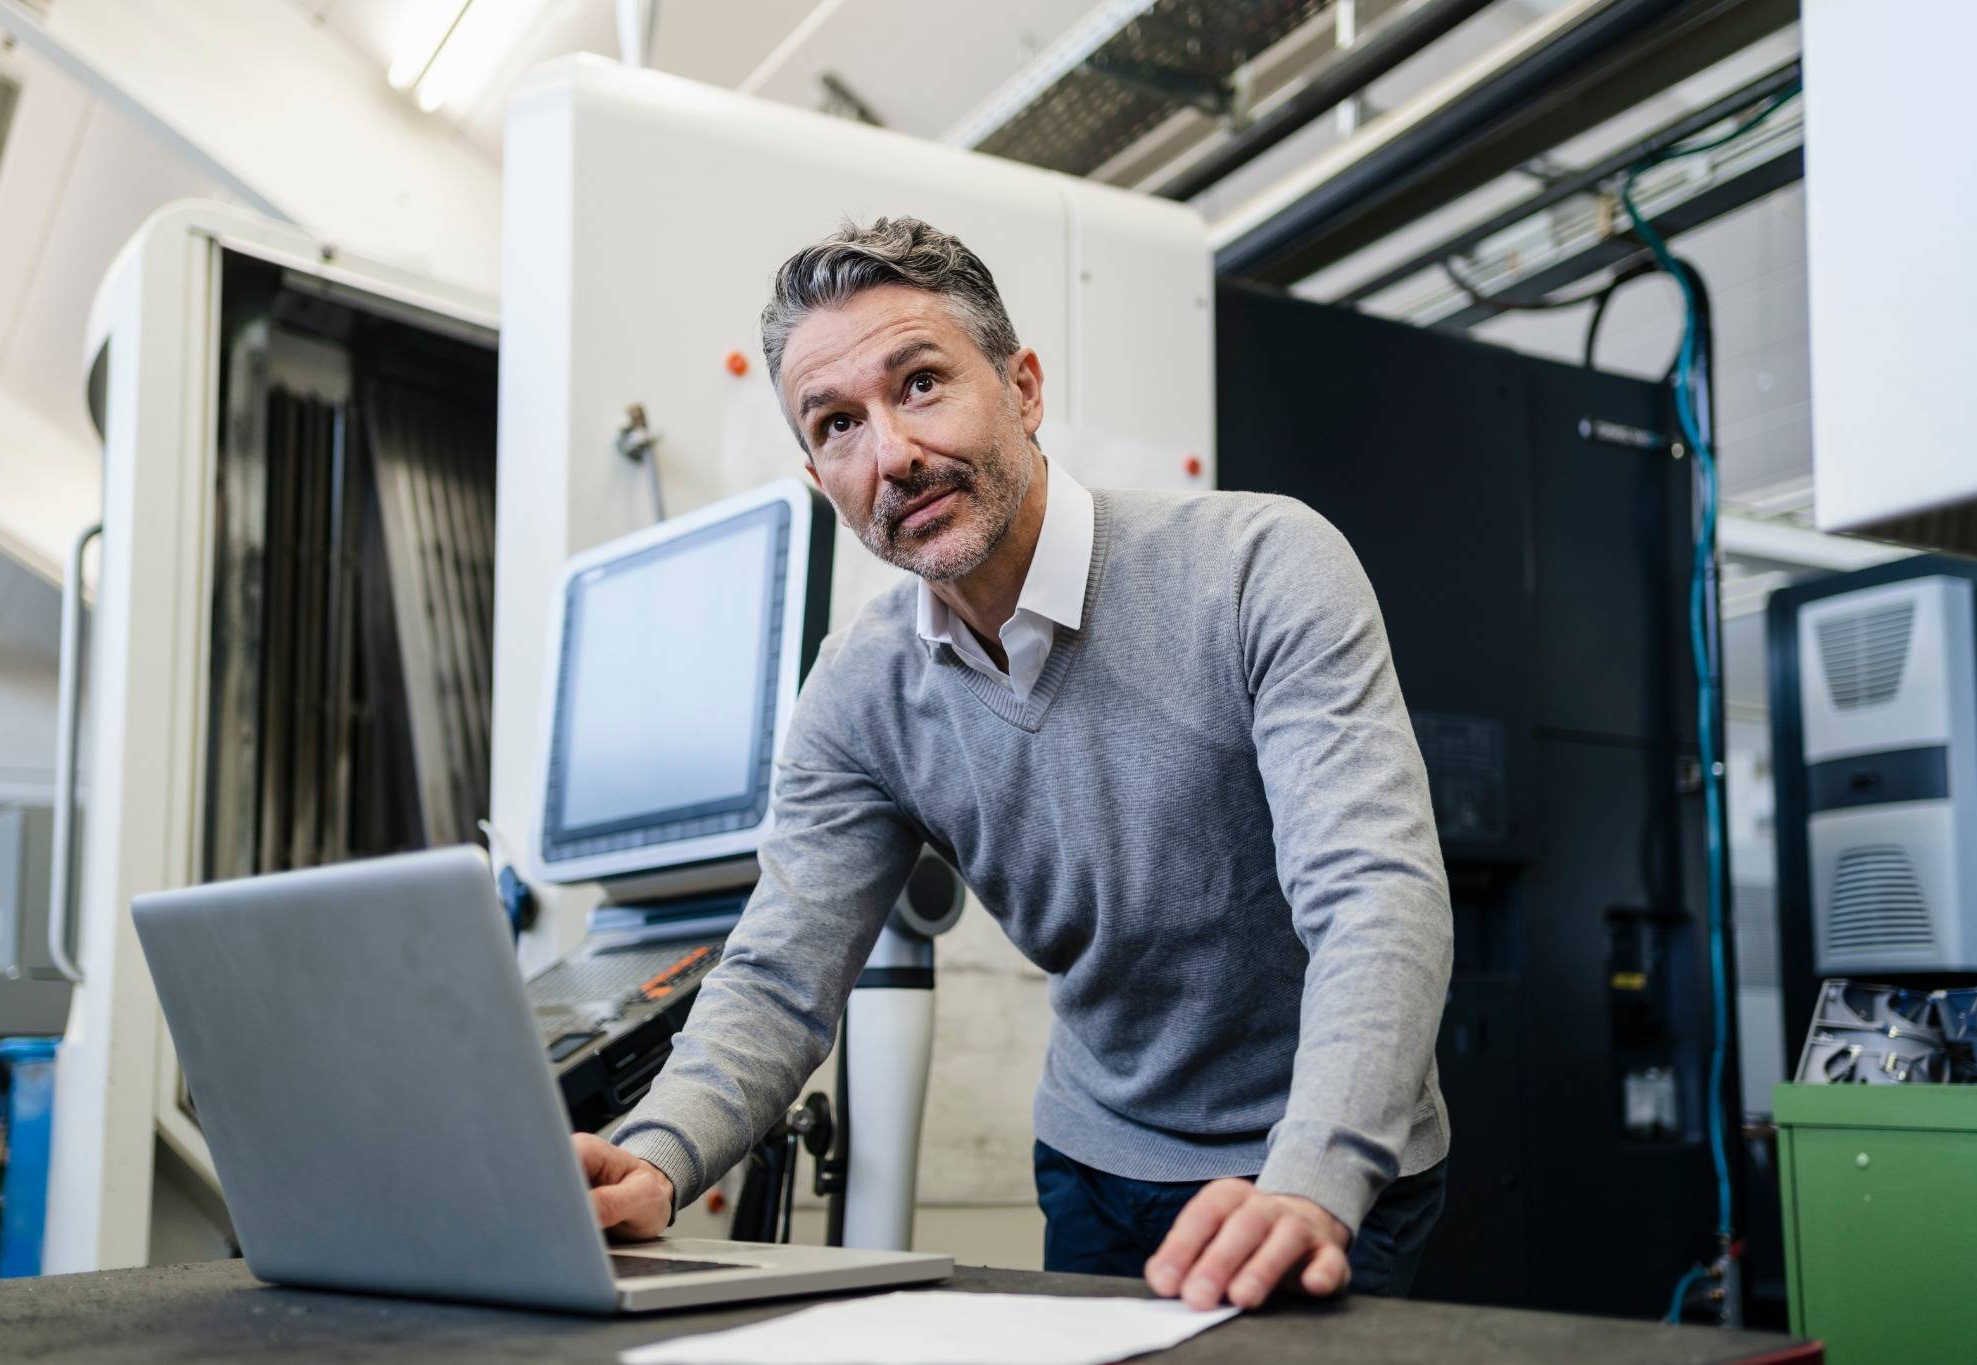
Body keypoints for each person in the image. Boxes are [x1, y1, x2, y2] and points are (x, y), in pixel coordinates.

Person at [568, 217, 1452, 1311]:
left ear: (1023, 387)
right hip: (1100, 1159)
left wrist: (1316, 1174)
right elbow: (779, 973)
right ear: (817, 473)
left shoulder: (1259, 568)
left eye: (922, 383)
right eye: (837, 423)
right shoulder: (860, 691)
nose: (889, 452)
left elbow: (1373, 899)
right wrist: (656, 1155)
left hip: (1321, 1156)